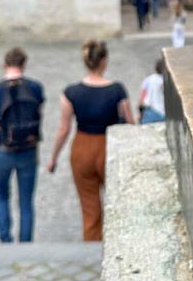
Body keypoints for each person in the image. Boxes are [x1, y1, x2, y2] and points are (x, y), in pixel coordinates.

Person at [46, 40, 134, 241]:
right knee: (118, 201)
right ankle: (120, 243)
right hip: (110, 146)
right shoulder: (117, 90)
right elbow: (129, 122)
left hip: (82, 148)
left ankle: (93, 248)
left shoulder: (71, 92)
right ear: (104, 61)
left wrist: (53, 158)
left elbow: (63, 128)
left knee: (89, 208)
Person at [0, 47, 45, 243]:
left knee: (1, 197)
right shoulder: (35, 88)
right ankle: (25, 242)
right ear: (24, 64)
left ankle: (5, 239)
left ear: (4, 65)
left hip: (2, 150)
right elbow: (37, 114)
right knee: (26, 201)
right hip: (28, 149)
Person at [138, 59, 166, 124]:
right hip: (162, 112)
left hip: (148, 112)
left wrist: (140, 114)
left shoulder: (148, 80)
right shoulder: (165, 80)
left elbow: (141, 99)